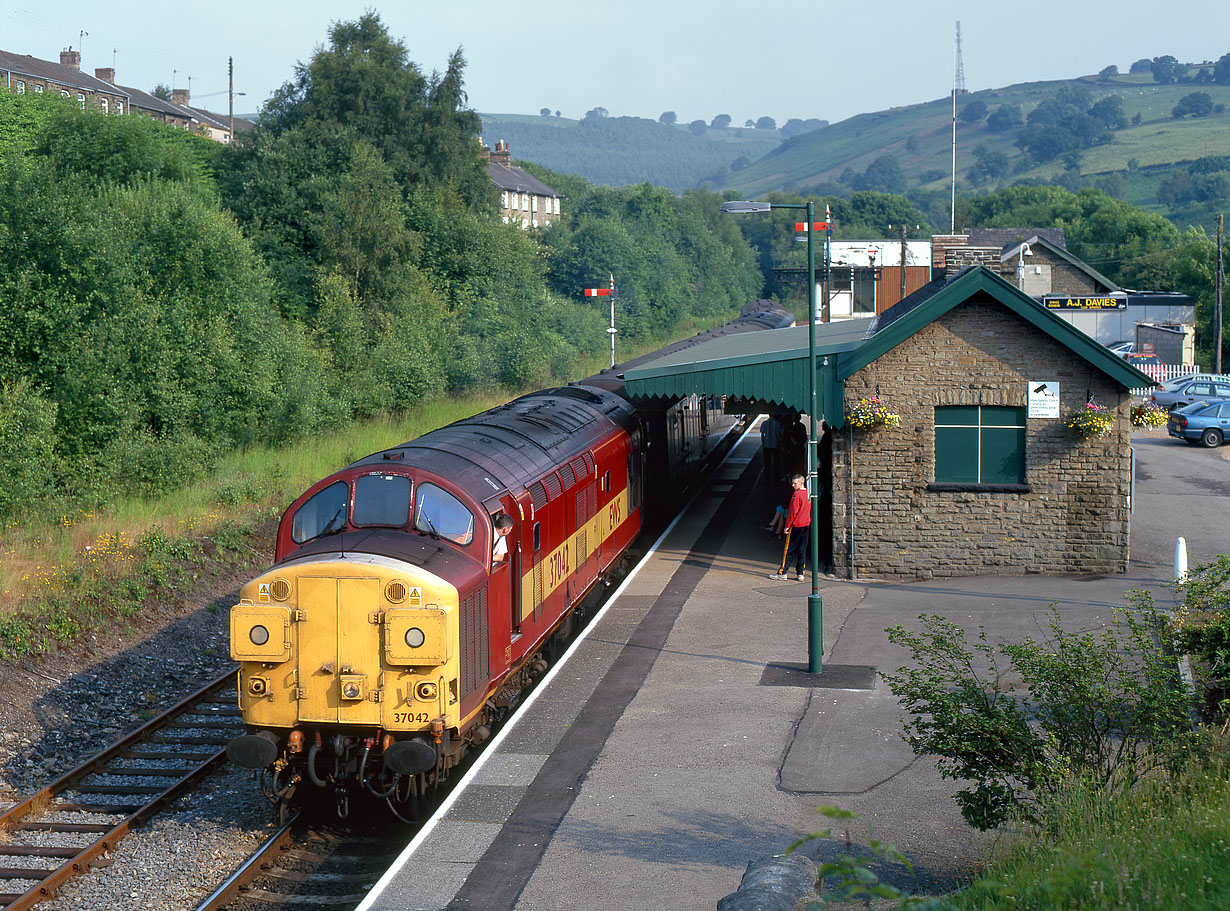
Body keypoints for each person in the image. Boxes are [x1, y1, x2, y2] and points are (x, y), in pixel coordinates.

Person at [770, 474, 809, 581]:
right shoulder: (808, 494)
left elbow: (793, 512)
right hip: (806, 525)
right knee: (802, 550)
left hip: (796, 526)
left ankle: (783, 572)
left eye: (795, 483)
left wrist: (787, 526)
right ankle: (800, 573)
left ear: (801, 483)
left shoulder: (796, 495)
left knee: (789, 550)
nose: (793, 485)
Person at [760, 414, 782, 487]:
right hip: (775, 445)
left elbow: (762, 434)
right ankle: (777, 478)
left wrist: (763, 443)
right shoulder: (778, 423)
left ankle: (767, 478)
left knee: (767, 463)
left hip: (767, 446)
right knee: (776, 463)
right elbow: (780, 435)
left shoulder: (764, 423)